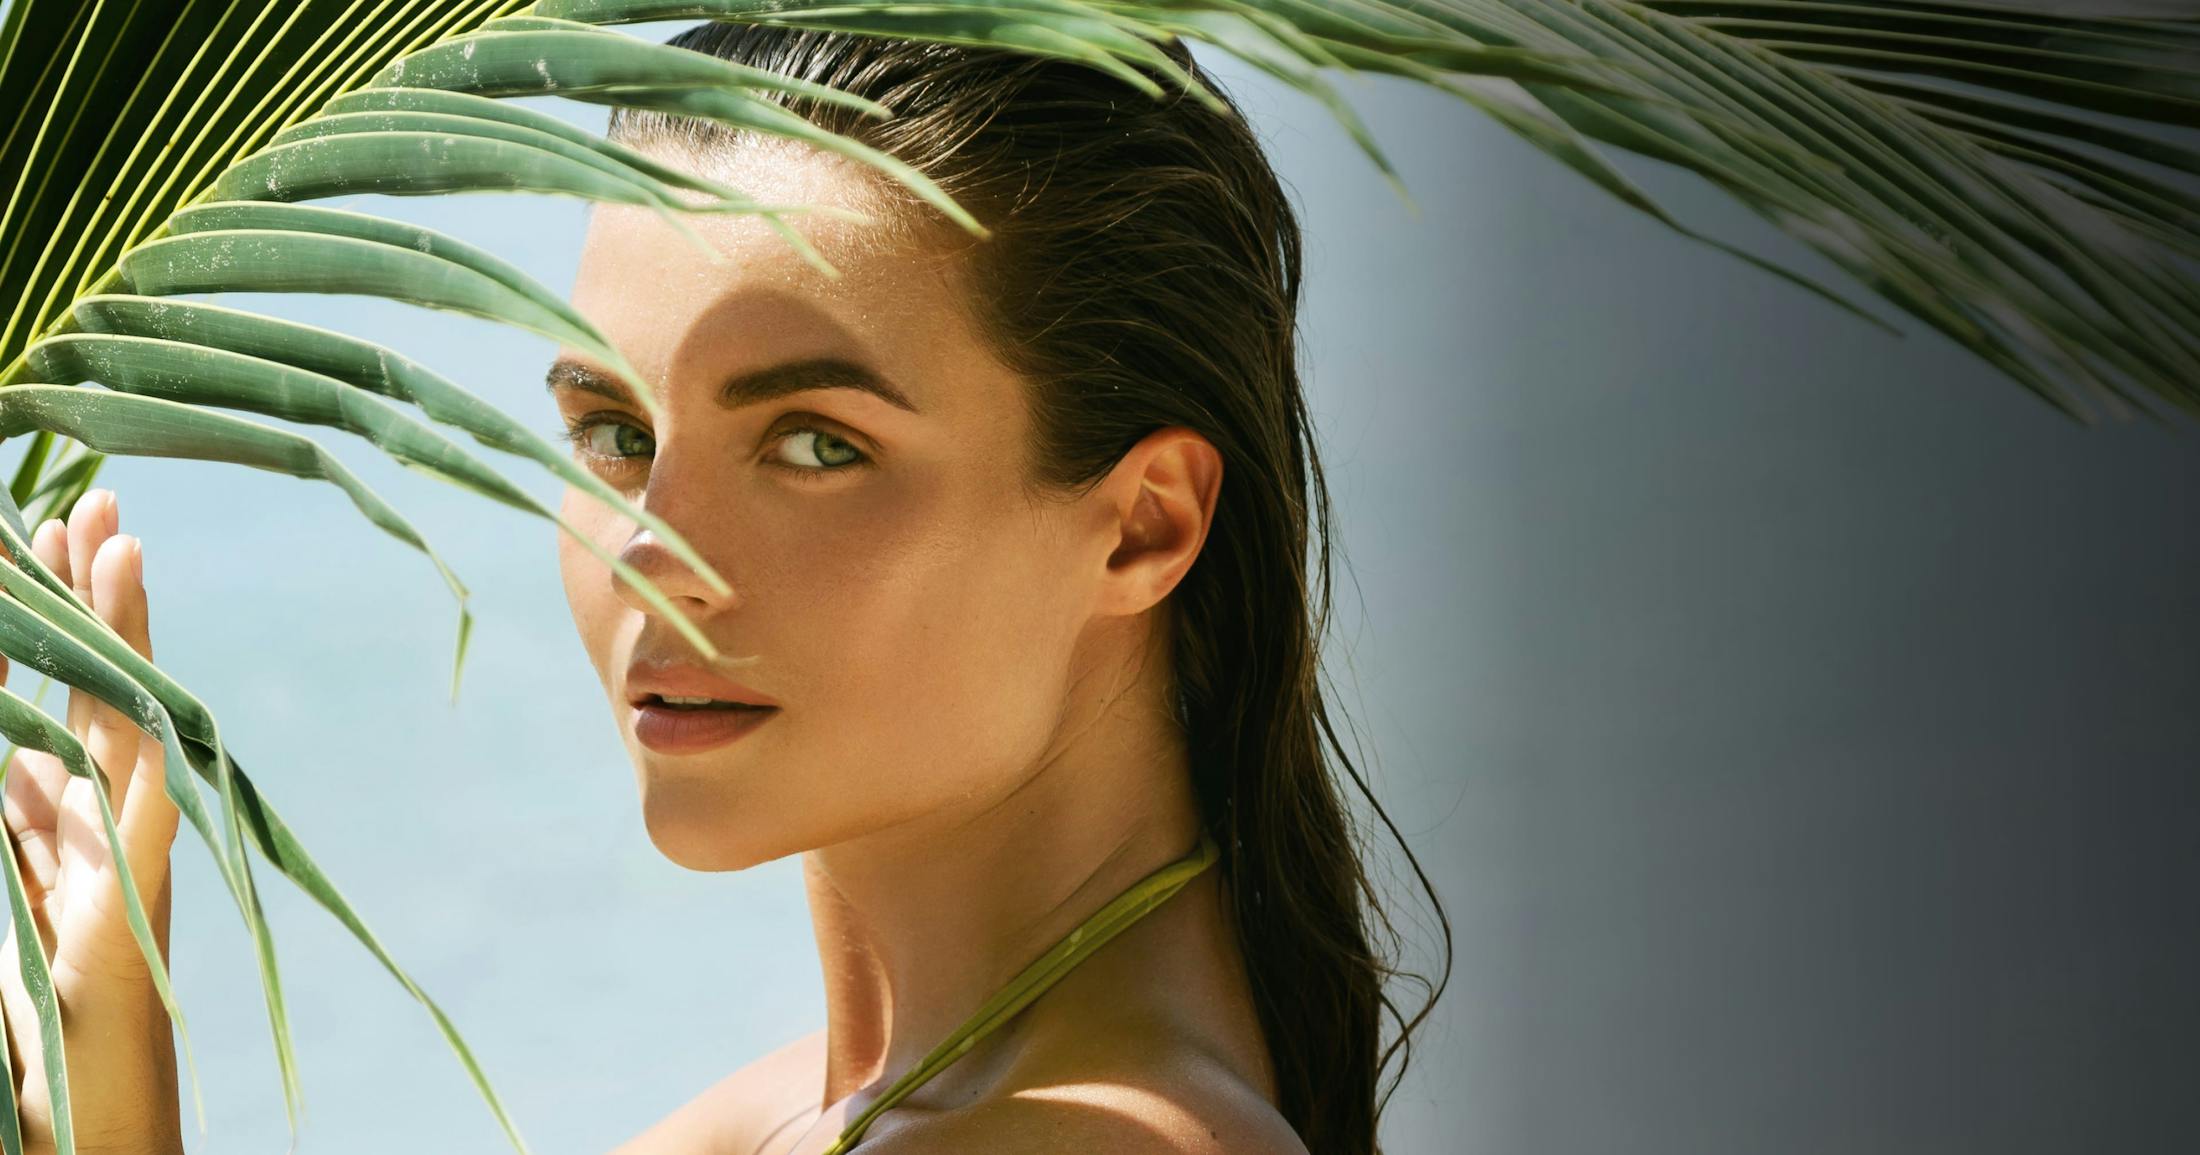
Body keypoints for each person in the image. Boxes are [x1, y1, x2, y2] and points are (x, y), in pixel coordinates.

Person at [0, 24, 1446, 1155]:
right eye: (617, 435)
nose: (653, 554)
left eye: (817, 445)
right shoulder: (843, 1110)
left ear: (1141, 527)